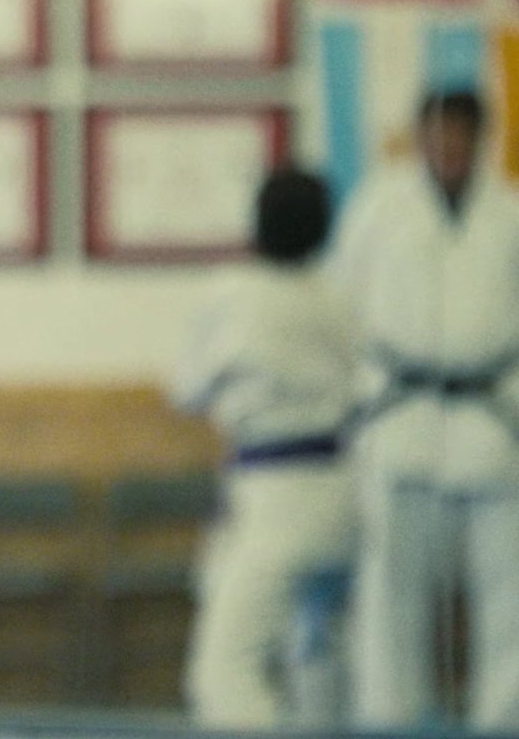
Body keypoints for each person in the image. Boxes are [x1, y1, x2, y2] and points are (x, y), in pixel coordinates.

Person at [328, 88, 519, 731]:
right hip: (400, 416)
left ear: (481, 140)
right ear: (419, 138)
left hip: (491, 419)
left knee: (509, 590)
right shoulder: (380, 209)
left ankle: (503, 717)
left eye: (463, 135)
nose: (450, 147)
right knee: (390, 592)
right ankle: (388, 716)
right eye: (439, 134)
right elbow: (343, 309)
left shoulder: (511, 213)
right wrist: (361, 396)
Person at [167, 167, 360, 729]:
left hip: (275, 498)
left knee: (223, 668)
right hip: (342, 494)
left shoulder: (230, 294)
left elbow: (187, 390)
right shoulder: (340, 298)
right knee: (319, 654)